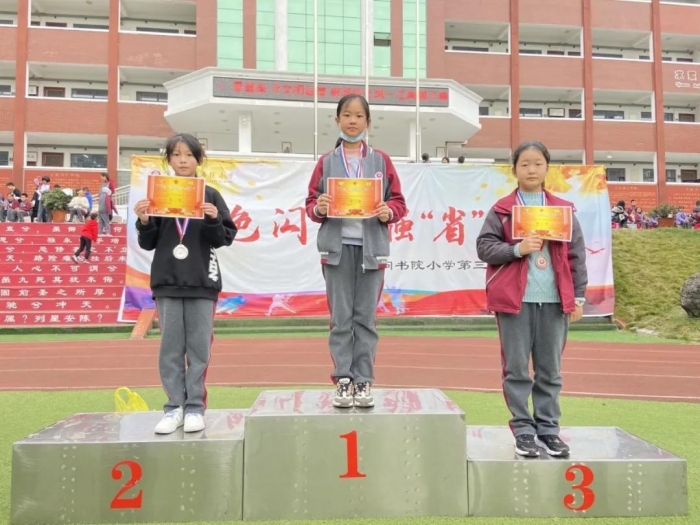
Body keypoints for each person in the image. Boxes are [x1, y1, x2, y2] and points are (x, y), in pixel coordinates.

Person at [476, 140, 587, 458]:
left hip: (554, 301)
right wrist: (517, 249)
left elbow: (576, 255)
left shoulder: (563, 211)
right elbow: (484, 247)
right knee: (516, 369)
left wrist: (578, 297)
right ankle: (523, 430)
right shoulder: (502, 210)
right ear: (514, 170)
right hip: (515, 301)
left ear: (547, 168)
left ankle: (549, 430)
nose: (531, 169)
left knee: (550, 370)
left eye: (538, 163)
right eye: (524, 164)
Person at [305, 94, 407, 409]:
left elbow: (399, 202)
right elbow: (310, 204)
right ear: (337, 120)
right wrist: (320, 207)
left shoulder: (380, 161)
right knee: (340, 319)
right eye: (347, 115)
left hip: (371, 251)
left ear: (368, 122)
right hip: (336, 251)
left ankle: (363, 381)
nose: (352, 121)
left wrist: (388, 211)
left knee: (365, 319)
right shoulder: (326, 161)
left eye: (359, 115)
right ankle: (343, 379)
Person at [133, 132, 237, 434]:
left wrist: (213, 218)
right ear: (168, 159)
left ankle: (194, 408)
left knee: (198, 349)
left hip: (202, 281)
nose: (182, 160)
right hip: (167, 281)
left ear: (199, 159)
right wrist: (144, 221)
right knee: (170, 348)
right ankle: (173, 408)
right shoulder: (159, 194)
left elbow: (225, 238)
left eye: (189, 155)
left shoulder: (211, 195)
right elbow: (149, 243)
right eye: (176, 154)